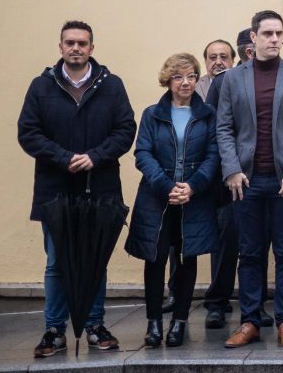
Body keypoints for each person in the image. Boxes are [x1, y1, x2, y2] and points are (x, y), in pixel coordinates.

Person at [18, 20, 136, 358]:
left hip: (99, 190)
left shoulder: (112, 85)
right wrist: (63, 157)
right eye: (69, 42)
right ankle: (54, 330)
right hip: (55, 191)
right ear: (60, 47)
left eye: (82, 43)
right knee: (57, 263)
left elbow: (125, 129)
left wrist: (95, 157)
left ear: (91, 48)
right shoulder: (41, 86)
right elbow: (28, 132)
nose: (75, 48)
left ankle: (96, 326)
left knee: (95, 261)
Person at [217, 10, 283, 349]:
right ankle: (250, 322)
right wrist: (231, 169)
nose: (274, 39)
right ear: (253, 38)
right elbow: (224, 127)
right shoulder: (232, 79)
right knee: (249, 253)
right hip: (246, 181)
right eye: (268, 33)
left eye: (278, 33)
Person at [125, 53, 220, 348]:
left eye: (191, 76)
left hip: (194, 198)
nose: (185, 82)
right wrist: (167, 187)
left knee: (187, 258)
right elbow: (142, 153)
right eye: (178, 77)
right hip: (157, 199)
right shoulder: (152, 114)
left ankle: (179, 321)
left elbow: (214, 155)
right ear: (168, 80)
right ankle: (154, 322)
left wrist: (192, 187)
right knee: (155, 258)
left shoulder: (208, 114)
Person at [203, 29, 273, 329]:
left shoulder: (265, 79)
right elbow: (216, 128)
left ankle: (255, 305)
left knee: (258, 243)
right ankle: (217, 303)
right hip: (228, 177)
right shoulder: (223, 83)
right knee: (226, 241)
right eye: (213, 57)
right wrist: (228, 170)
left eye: (224, 57)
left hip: (260, 176)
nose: (219, 62)